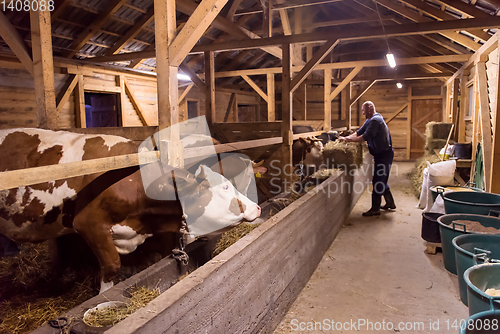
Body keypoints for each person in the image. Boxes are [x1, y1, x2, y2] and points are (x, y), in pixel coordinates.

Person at [339, 101, 396, 216]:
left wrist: (348, 140)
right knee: (381, 178)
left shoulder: (375, 120)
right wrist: (346, 138)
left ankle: (375, 209)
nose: (362, 112)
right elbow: (359, 132)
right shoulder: (370, 120)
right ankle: (390, 203)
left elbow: (365, 137)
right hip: (381, 154)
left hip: (384, 155)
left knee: (378, 180)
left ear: (370, 108)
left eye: (363, 110)